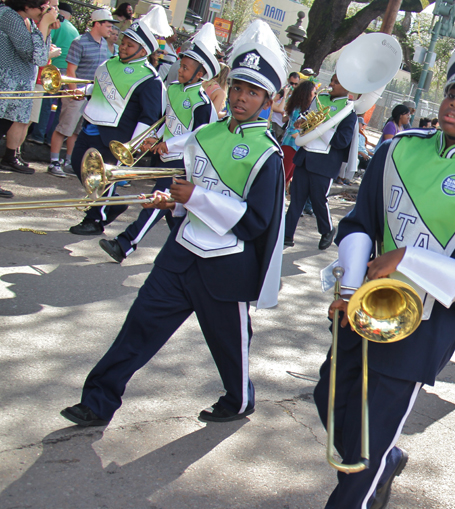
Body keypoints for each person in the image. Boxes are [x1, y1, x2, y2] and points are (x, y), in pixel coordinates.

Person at [297, 26, 455, 509]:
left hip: (420, 328)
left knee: (367, 437)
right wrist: (348, 287)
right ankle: (387, 460)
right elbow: (359, 224)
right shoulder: (398, 150)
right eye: (454, 94)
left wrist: (409, 260)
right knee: (329, 400)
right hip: (361, 306)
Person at [59, 19, 286, 428]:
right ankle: (98, 401)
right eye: (237, 87)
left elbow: (256, 222)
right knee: (138, 327)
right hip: (179, 255)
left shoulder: (267, 155)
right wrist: (172, 203)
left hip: (226, 266)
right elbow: (188, 189)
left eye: (252, 92)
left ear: (268, 98)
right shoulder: (204, 137)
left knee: (230, 347)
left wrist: (195, 198)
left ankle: (239, 400)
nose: (240, 97)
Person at [97, 22, 218, 263]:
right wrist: (154, 138)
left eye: (185, 68)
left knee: (158, 200)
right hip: (166, 156)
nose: (180, 70)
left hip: (183, 162)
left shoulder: (202, 102)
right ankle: (192, 254)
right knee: (174, 213)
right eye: (180, 66)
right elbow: (166, 119)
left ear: (200, 73)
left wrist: (168, 145)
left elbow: (198, 136)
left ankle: (125, 244)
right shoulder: (172, 89)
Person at [67, 6, 168, 236]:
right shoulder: (110, 63)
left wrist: (133, 146)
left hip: (115, 137)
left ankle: (95, 219)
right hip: (90, 125)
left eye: (129, 45)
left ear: (143, 51)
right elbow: (100, 88)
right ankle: (113, 204)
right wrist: (83, 91)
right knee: (79, 165)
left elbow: (149, 114)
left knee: (100, 176)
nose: (123, 47)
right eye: (123, 42)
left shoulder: (150, 79)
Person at [283, 73, 357, 250]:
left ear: (347, 88)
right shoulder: (319, 100)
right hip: (305, 157)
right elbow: (306, 117)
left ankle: (327, 230)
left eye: (337, 82)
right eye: (332, 80)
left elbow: (342, 141)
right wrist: (302, 122)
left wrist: (321, 127)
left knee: (318, 200)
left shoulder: (348, 112)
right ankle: (286, 235)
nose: (332, 84)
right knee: (296, 199)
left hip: (325, 163)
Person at [47, 9, 117, 178]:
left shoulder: (104, 45)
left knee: (77, 131)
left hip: (91, 95)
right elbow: (71, 70)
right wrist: (73, 91)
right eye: (108, 26)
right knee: (64, 128)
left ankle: (69, 162)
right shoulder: (79, 42)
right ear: (97, 24)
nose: (111, 29)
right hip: (76, 93)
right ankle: (54, 162)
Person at [0, 0, 56, 189]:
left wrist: (47, 27)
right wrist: (45, 24)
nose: (45, 10)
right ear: (26, 4)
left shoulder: (28, 21)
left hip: (16, 87)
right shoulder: (9, 16)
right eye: (42, 6)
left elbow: (41, 55)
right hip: (5, 84)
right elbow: (36, 56)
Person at [29, 1, 76, 145]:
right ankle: (49, 138)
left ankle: (38, 135)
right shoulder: (73, 29)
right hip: (61, 69)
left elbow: (41, 47)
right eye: (53, 6)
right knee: (57, 107)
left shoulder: (54, 24)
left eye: (56, 7)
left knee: (46, 104)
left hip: (51, 68)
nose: (55, 10)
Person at [279, 78, 316, 188]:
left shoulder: (303, 108)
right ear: (307, 93)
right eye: (313, 93)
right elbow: (292, 130)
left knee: (288, 176)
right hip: (290, 145)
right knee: (283, 176)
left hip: (296, 147)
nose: (315, 95)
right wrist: (304, 139)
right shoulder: (298, 109)